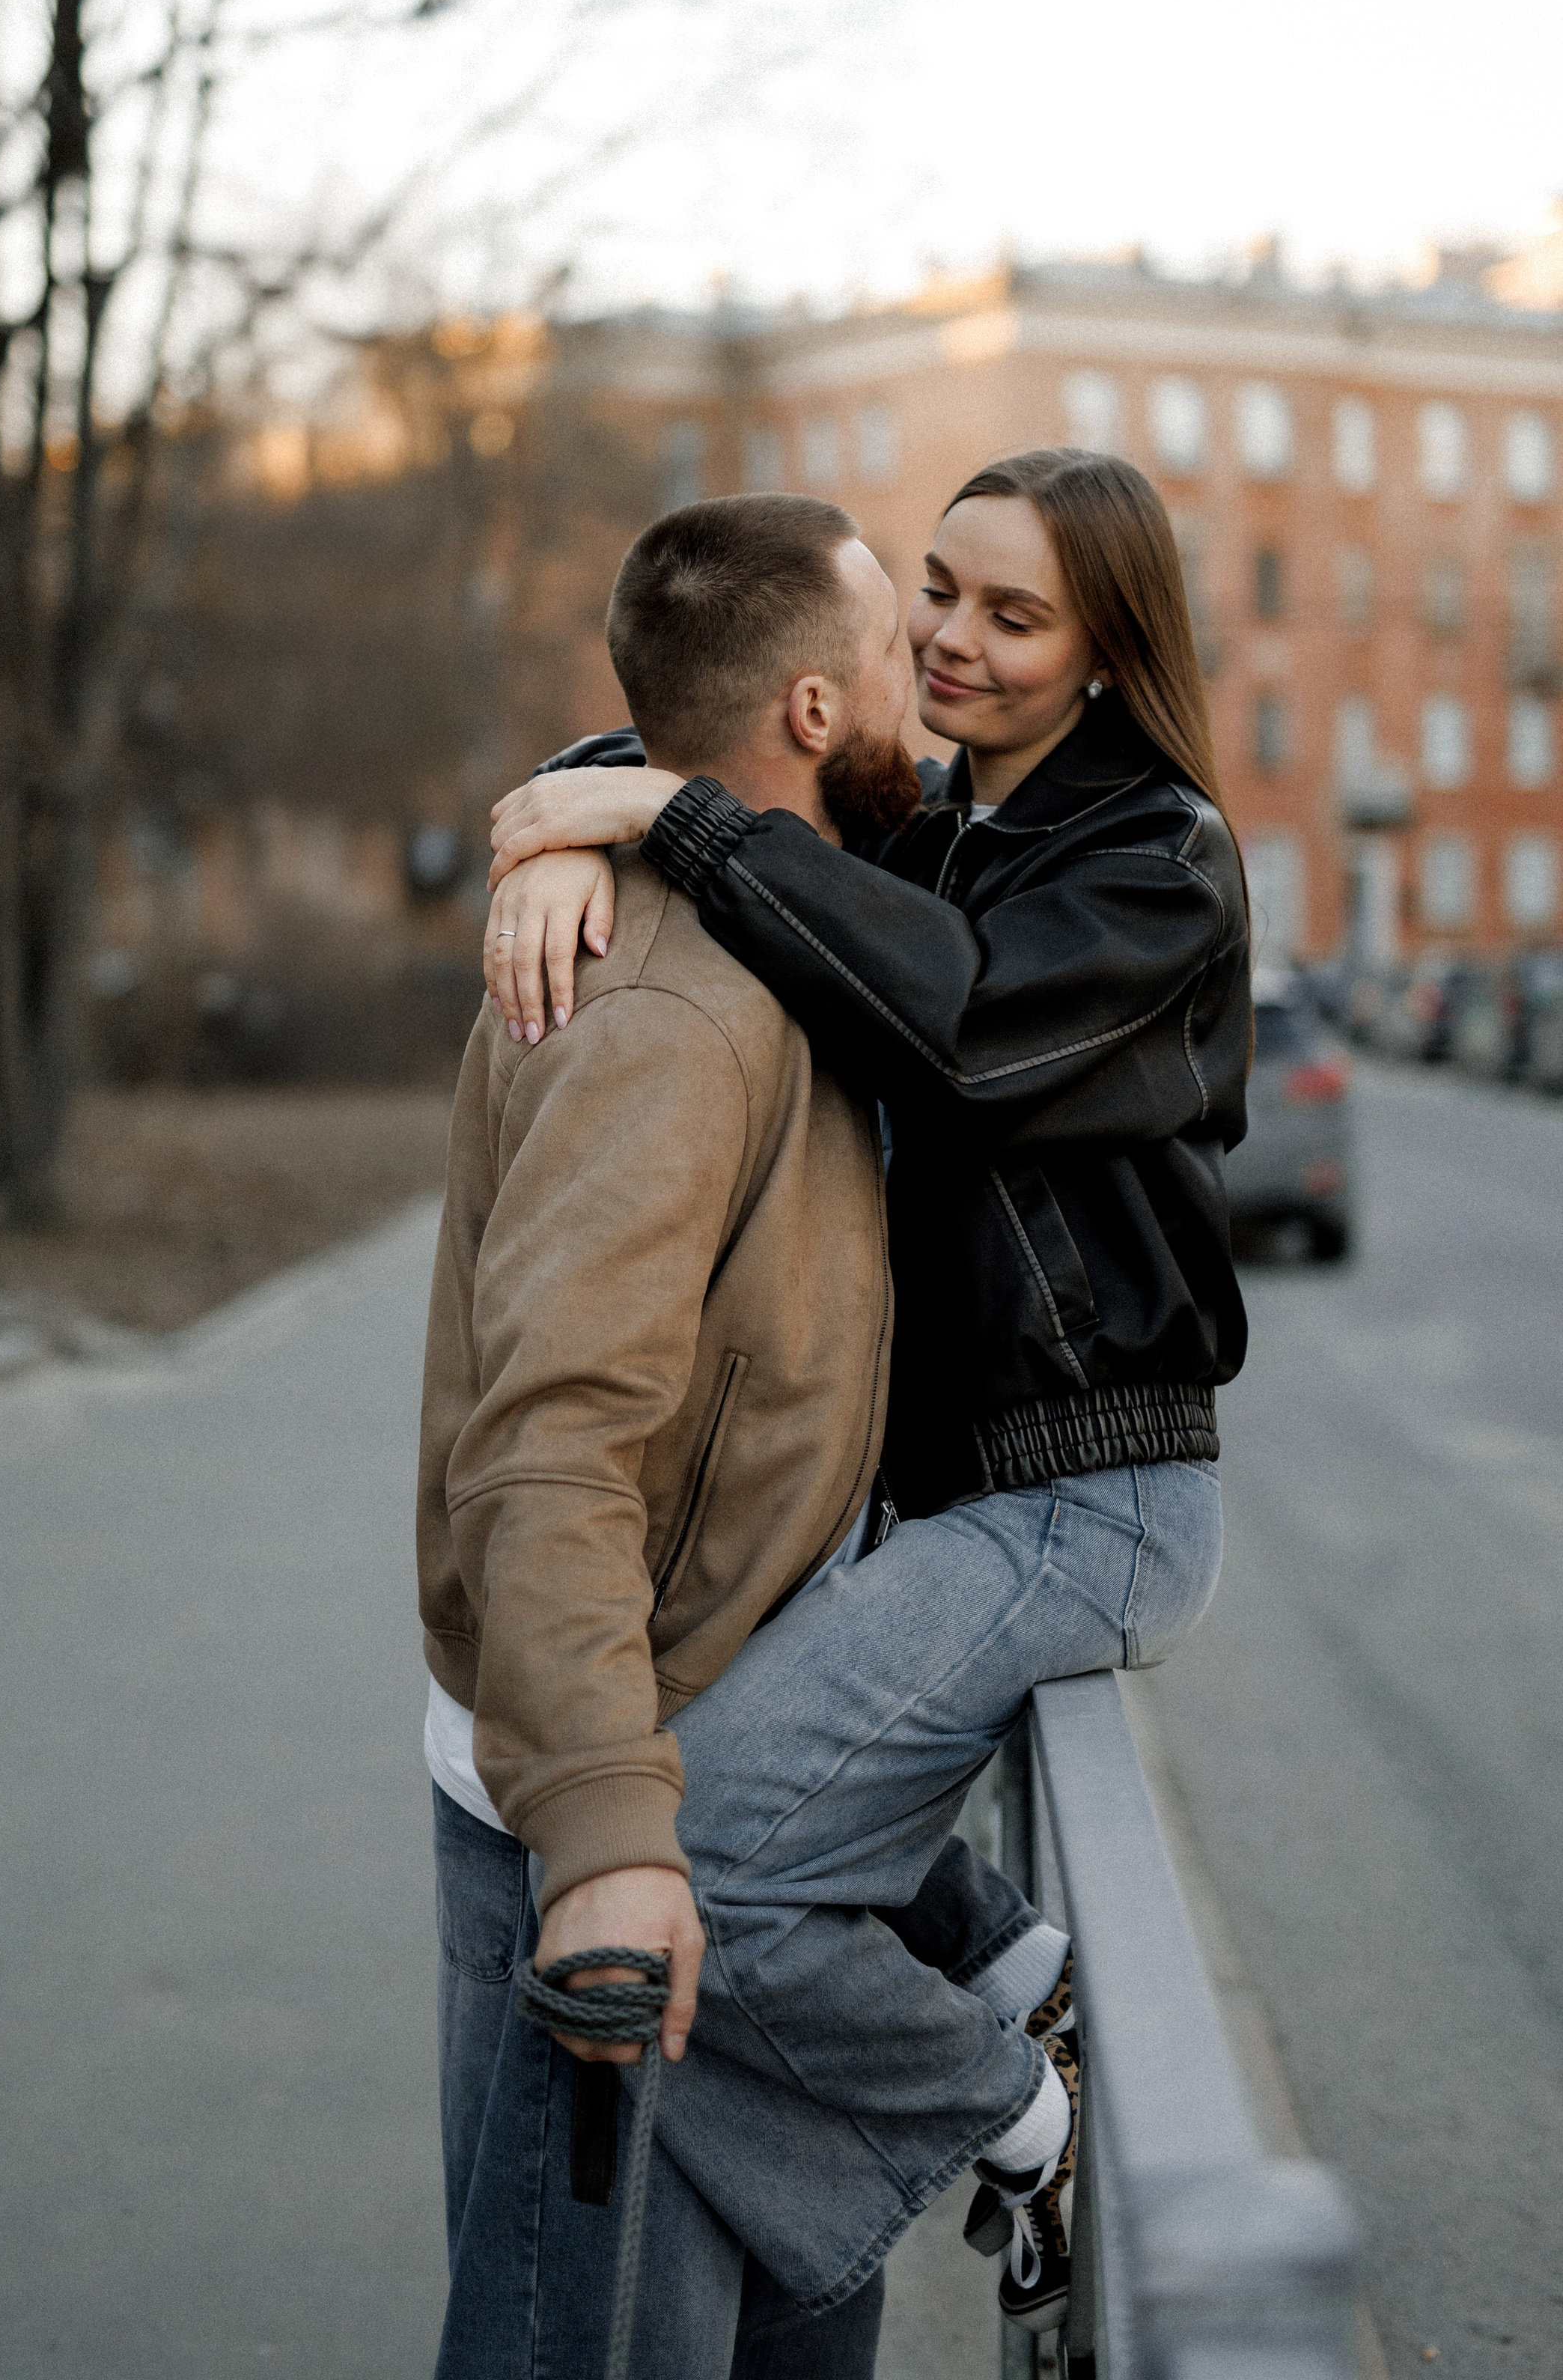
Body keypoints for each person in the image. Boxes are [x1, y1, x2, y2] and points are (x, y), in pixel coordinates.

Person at [479, 447, 1249, 2334]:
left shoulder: (1155, 862)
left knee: (696, 1870)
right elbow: (725, 736)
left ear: (1105, 650)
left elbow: (961, 1021)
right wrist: (571, 816)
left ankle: (1020, 2120)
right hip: (948, 1501)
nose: (950, 639)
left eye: (1012, 615)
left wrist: (653, 818)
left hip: (1083, 1495)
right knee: (726, 1794)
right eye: (936, 589)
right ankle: (1011, 1981)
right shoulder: (939, 822)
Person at [421, 493, 1076, 2380]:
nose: (924, 689)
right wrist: (605, 1839)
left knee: (793, 2338)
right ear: (808, 709)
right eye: (889, 653)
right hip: (628, 1811)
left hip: (727, 1773)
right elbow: (549, 1443)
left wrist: (580, 800)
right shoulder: (666, 1013)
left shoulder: (788, 929)